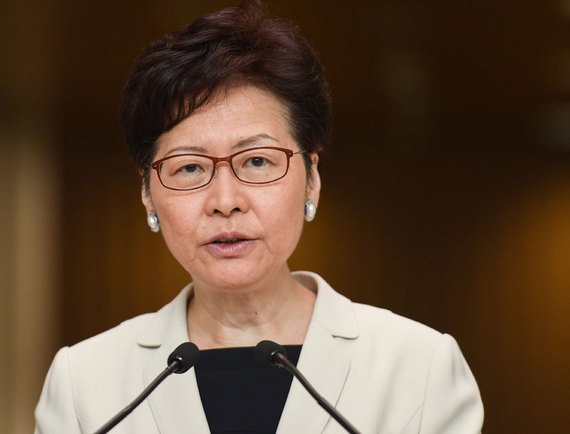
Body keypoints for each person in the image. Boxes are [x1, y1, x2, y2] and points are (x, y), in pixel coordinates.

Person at [34, 2, 484, 433]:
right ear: (148, 195)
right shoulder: (84, 382)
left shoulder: (419, 366)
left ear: (311, 180)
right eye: (190, 167)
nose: (225, 200)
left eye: (257, 162)